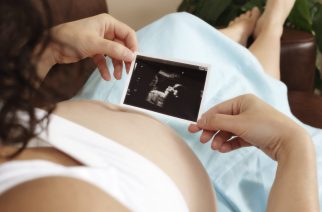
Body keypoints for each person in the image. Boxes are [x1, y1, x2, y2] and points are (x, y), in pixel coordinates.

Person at [0, 0, 320, 212]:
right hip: (232, 185)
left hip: (116, 103)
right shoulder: (45, 200)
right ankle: (268, 30)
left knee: (176, 31)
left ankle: (237, 36)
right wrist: (293, 146)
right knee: (259, 99)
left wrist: (49, 50)